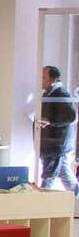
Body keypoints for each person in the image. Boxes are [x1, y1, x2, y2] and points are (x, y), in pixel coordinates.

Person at [38, 64, 78, 193]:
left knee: (49, 175)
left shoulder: (60, 94)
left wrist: (51, 121)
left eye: (43, 77)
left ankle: (42, 200)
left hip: (58, 144)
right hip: (53, 144)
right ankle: (76, 197)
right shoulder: (48, 94)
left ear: (53, 80)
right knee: (63, 173)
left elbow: (72, 117)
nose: (40, 80)